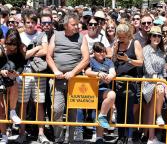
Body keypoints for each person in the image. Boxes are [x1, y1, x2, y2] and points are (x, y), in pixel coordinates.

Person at [46, 13, 89, 143]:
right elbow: (49, 56)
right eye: (74, 24)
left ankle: (70, 139)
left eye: (77, 24)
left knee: (72, 111)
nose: (77, 26)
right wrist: (55, 70)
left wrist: (73, 72)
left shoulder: (82, 38)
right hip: (58, 79)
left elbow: (86, 59)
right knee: (57, 109)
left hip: (74, 80)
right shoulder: (56, 36)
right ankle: (58, 138)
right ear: (65, 25)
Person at [16, 12, 50, 144]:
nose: (30, 25)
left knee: (39, 103)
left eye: (33, 22)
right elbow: (21, 55)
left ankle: (41, 134)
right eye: (28, 22)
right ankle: (21, 133)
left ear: (36, 24)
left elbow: (45, 51)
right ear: (24, 23)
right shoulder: (19, 35)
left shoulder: (42, 34)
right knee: (22, 104)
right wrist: (37, 48)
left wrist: (28, 52)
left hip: (38, 72)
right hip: (23, 73)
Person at [112, 23, 143, 144]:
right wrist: (114, 51)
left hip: (131, 82)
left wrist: (128, 59)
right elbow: (113, 61)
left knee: (128, 110)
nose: (121, 39)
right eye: (119, 37)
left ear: (128, 35)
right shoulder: (116, 43)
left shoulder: (135, 43)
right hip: (118, 81)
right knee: (120, 110)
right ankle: (121, 137)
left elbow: (141, 62)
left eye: (123, 37)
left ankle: (129, 136)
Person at [85, 42, 116, 144]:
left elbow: (113, 72)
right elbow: (87, 72)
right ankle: (77, 133)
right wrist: (98, 74)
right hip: (89, 90)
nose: (102, 54)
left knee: (111, 96)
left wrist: (110, 76)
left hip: (102, 89)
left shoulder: (108, 61)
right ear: (94, 52)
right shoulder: (90, 60)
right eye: (99, 52)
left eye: (103, 51)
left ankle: (99, 136)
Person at [0, 29, 25, 144]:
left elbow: (21, 65)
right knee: (1, 110)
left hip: (11, 80)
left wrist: (17, 73)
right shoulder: (0, 49)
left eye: (14, 44)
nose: (11, 47)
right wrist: (1, 72)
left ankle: (13, 111)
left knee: (15, 83)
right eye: (9, 43)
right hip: (0, 79)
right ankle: (4, 135)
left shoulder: (19, 51)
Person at [143, 26, 167, 144]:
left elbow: (164, 70)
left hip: (160, 81)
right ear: (150, 37)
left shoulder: (162, 52)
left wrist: (164, 82)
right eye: (154, 35)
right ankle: (158, 116)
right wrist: (157, 80)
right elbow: (148, 67)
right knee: (151, 108)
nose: (156, 38)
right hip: (148, 81)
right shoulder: (146, 49)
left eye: (159, 36)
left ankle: (151, 137)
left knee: (153, 105)